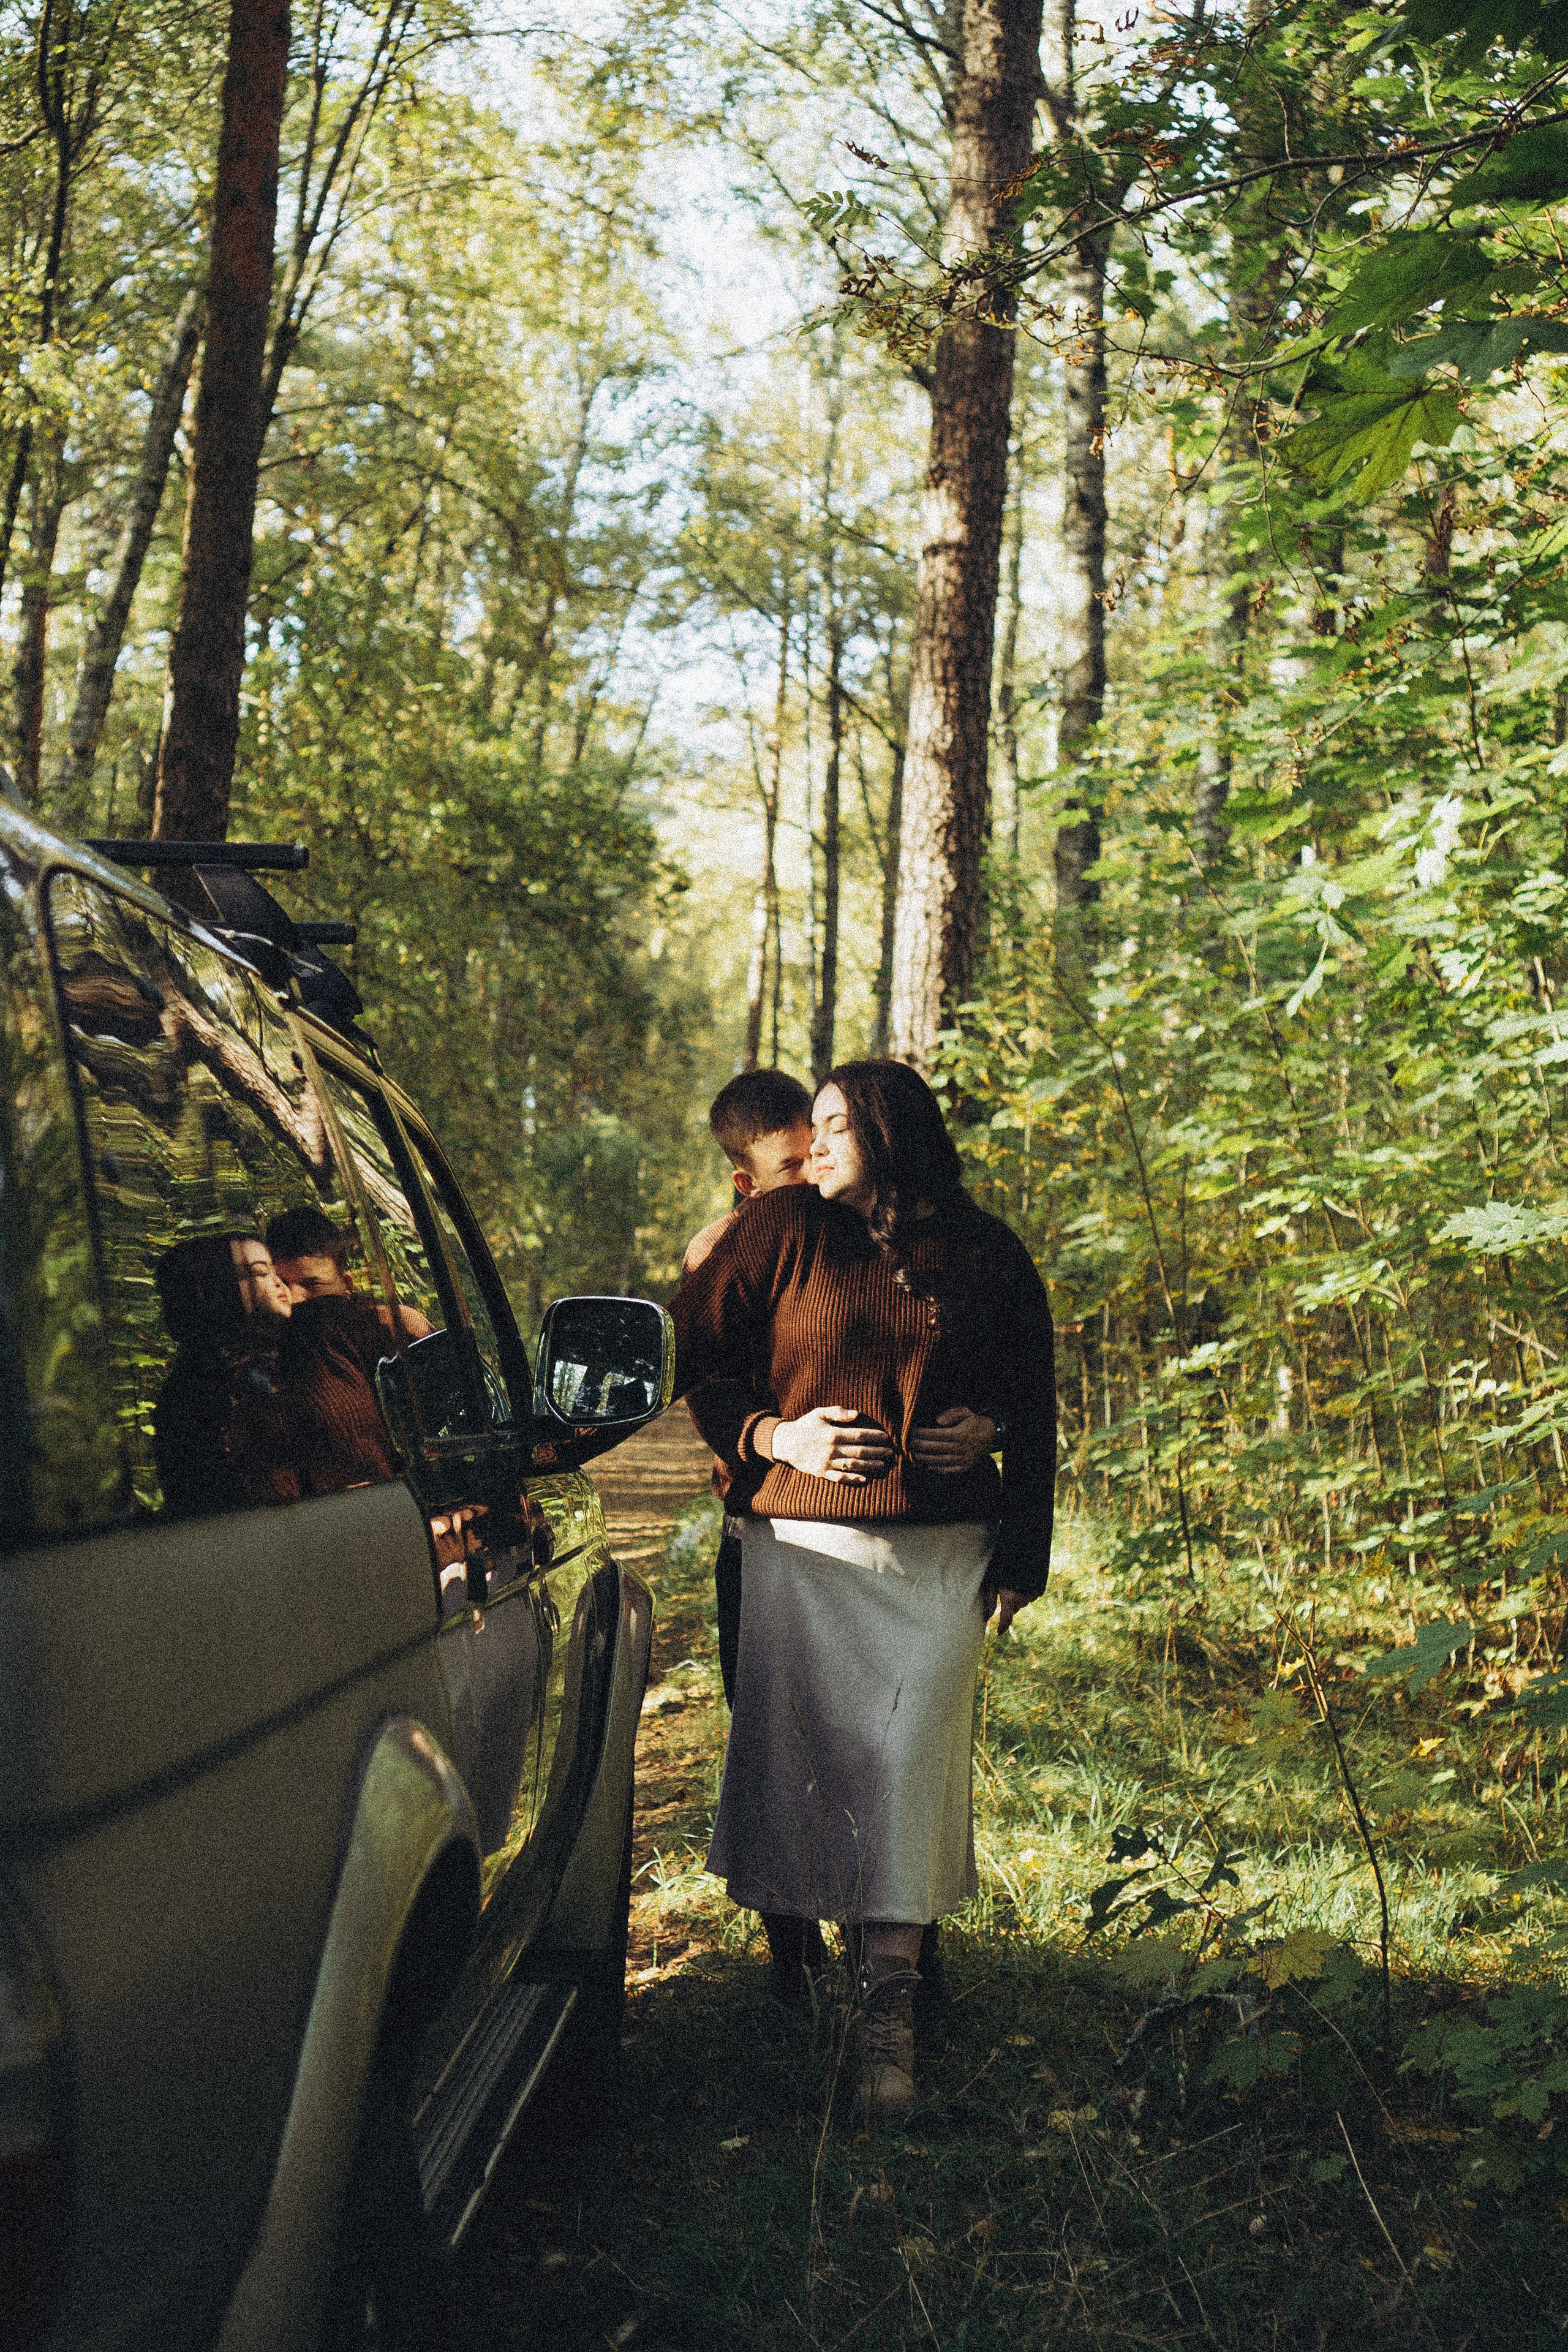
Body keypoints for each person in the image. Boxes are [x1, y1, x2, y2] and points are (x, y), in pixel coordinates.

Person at [672, 1060, 1056, 2120]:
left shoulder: (985, 1250)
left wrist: (1003, 1460)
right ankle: (816, 1981)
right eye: (814, 1127)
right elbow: (695, 1356)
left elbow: (1034, 1393)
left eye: (838, 1126)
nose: (817, 1144)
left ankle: (887, 2020)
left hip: (942, 1559)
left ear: (894, 1136)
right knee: (819, 1777)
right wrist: (772, 1435)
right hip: (803, 1555)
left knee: (904, 1772)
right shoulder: (782, 1228)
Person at [153, 1233, 301, 1518]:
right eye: (260, 1272)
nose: (279, 1282)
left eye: (275, 1270)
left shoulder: (283, 1357)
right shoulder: (200, 1390)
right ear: (217, 1289)